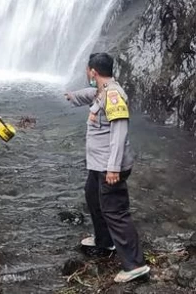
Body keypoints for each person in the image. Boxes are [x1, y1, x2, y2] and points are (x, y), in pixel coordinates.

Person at [65, 52, 150, 283]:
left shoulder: (113, 95)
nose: (86, 73)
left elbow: (119, 132)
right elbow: (91, 96)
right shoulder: (102, 91)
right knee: (92, 195)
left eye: (87, 70)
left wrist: (113, 168)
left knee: (116, 211)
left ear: (93, 71)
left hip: (109, 166)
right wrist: (71, 96)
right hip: (98, 164)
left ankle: (135, 264)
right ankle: (105, 240)